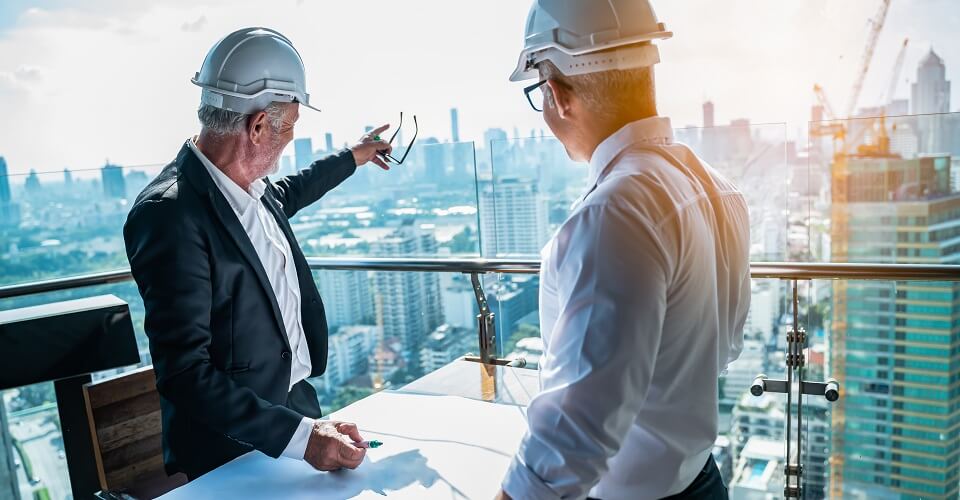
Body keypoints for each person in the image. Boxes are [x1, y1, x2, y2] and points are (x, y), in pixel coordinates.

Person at [497, 1, 751, 499]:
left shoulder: (612, 214)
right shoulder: (718, 188)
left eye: (537, 93)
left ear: (556, 94)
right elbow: (726, 346)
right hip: (701, 478)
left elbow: (575, 427)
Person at [123, 27, 393, 480]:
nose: (289, 142)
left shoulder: (250, 190)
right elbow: (186, 373)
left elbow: (294, 189)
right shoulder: (168, 215)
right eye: (290, 127)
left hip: (293, 410)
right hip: (228, 450)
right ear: (259, 126)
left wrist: (355, 155)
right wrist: (302, 438)